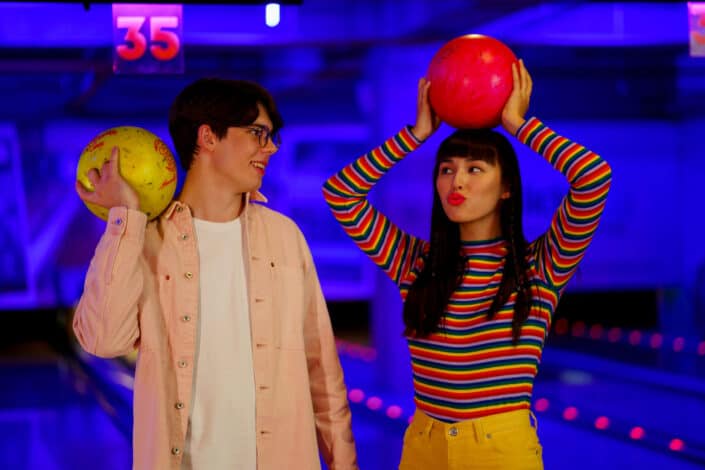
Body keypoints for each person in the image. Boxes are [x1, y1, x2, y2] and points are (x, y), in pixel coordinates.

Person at [323, 60, 611, 469]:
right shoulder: (416, 263)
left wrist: (519, 125)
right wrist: (416, 135)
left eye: (475, 169)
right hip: (424, 445)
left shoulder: (540, 267)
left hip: (501, 450)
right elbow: (340, 194)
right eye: (447, 170)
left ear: (507, 186)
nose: (456, 182)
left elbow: (594, 177)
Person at [73, 78, 358, 470]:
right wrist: (124, 219)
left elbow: (322, 371)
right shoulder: (144, 239)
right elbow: (103, 341)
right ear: (207, 137)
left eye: (271, 136)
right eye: (258, 133)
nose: (270, 147)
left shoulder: (284, 237)